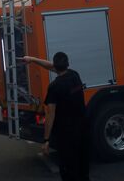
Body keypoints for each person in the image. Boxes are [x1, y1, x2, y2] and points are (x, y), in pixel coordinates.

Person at [23, 53, 90, 181]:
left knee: (69, 170)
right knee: (82, 167)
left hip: (66, 135)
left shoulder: (54, 87)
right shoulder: (75, 75)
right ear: (68, 64)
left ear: (55, 65)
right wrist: (32, 59)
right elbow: (52, 67)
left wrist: (46, 140)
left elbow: (50, 114)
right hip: (82, 131)